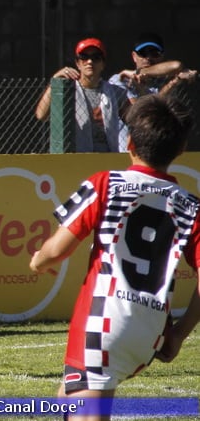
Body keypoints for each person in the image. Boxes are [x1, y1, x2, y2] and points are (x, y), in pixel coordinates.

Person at [29, 94, 200, 420]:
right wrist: (178, 334)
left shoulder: (107, 184)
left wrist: (39, 260)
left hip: (104, 323)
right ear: (180, 150)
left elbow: (57, 249)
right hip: (150, 330)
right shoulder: (191, 206)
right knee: (67, 400)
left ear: (130, 143)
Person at [34, 38, 129, 152]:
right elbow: (41, 115)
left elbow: (135, 121)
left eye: (96, 58)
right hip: (76, 156)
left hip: (107, 156)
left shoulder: (115, 91)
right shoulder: (67, 90)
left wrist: (140, 89)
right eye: (84, 57)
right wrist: (54, 82)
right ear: (77, 63)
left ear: (103, 64)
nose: (90, 62)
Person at [109, 32, 197, 103]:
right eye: (143, 53)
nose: (148, 58)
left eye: (154, 53)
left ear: (162, 56)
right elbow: (140, 116)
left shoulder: (165, 81)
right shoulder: (121, 79)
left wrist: (177, 80)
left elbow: (176, 65)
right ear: (134, 56)